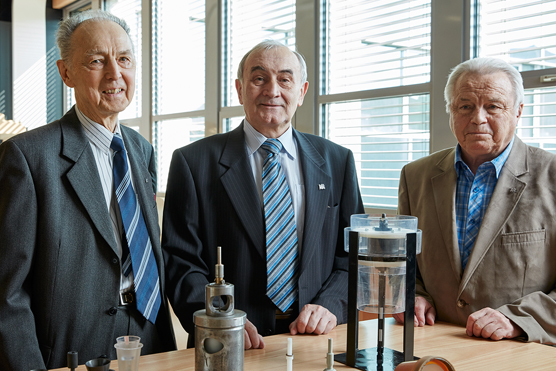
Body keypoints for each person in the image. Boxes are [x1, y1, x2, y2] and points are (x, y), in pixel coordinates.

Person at [0, 10, 176, 370]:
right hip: (71, 350)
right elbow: (8, 293)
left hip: (151, 340)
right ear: (66, 72)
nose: (115, 73)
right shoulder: (28, 156)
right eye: (97, 60)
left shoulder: (142, 150)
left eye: (124, 59)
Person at [162, 40, 364, 349]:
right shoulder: (192, 162)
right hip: (228, 344)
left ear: (302, 91)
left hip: (315, 340)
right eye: (259, 78)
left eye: (285, 79)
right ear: (240, 89)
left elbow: (352, 255)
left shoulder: (337, 161)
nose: (272, 90)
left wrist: (331, 305)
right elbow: (180, 261)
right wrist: (219, 319)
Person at [395, 57, 556, 344]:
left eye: (493, 106)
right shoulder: (414, 176)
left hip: (520, 351)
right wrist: (413, 295)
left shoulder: (552, 176)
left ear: (518, 111)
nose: (477, 118)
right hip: (433, 343)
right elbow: (406, 263)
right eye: (465, 106)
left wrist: (517, 319)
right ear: (450, 111)